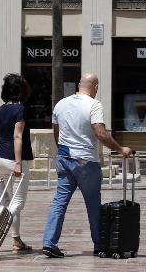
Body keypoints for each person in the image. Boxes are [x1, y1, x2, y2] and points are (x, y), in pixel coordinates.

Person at [42, 73, 132, 258]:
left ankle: (49, 242)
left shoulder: (60, 104)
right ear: (96, 87)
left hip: (64, 159)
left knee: (59, 202)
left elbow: (56, 133)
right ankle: (99, 244)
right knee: (93, 204)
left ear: (78, 85)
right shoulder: (93, 104)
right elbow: (100, 133)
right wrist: (120, 149)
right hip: (85, 162)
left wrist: (64, 152)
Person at [0, 73, 34, 253]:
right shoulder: (20, 109)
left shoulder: (1, 109)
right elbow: (18, 136)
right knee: (17, 202)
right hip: (16, 160)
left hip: (1, 159)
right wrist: (18, 162)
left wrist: (1, 150)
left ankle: (16, 239)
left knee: (7, 199)